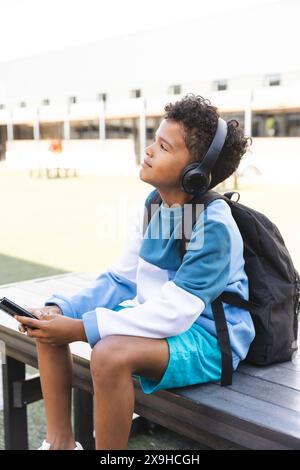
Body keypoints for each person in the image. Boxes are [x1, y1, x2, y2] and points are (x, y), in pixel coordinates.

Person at [16, 94, 255, 450]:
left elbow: (176, 311)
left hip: (208, 339)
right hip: (160, 322)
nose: (148, 151)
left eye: (163, 146)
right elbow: (121, 280)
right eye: (154, 141)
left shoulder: (214, 225)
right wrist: (64, 311)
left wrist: (83, 327)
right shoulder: (157, 205)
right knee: (50, 323)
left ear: (195, 174)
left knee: (109, 353)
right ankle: (60, 443)